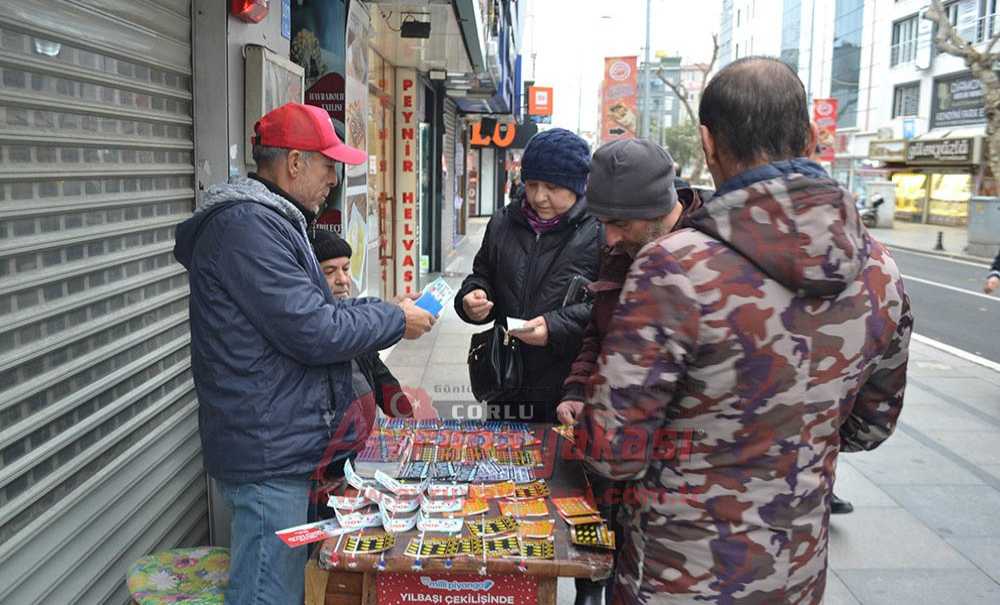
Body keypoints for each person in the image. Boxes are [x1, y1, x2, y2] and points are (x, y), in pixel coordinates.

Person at [580, 57, 913, 604]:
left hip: (678, 575)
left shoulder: (675, 267)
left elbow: (614, 450)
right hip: (796, 571)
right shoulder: (881, 272)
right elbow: (868, 429)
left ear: (708, 143)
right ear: (810, 136)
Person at [173, 102, 434, 604]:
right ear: (294, 162)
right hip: (269, 453)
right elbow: (314, 330)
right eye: (327, 164)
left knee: (282, 580)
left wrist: (386, 313)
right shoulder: (248, 227)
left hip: (280, 443)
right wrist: (396, 318)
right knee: (268, 590)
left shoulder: (271, 221)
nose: (333, 178)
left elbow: (309, 315)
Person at [555, 138, 683, 605]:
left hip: (669, 476)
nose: (608, 238)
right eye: (602, 223)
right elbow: (598, 329)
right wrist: (576, 388)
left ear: (656, 208)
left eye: (619, 224)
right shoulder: (622, 248)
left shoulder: (702, 262)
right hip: (610, 448)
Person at [454, 127, 601, 424]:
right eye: (532, 184)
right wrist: (472, 298)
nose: (539, 197)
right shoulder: (503, 222)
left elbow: (608, 307)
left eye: (552, 187)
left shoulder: (600, 230)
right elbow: (482, 274)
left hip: (566, 387)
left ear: (578, 186)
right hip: (506, 381)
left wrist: (554, 327)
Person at [309, 227, 413, 417]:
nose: (343, 280)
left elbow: (381, 377)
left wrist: (408, 421)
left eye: (346, 269)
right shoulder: (309, 332)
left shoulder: (354, 322)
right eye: (330, 271)